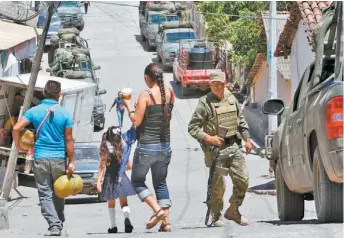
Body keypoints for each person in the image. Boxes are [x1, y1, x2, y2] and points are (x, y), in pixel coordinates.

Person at [188, 72, 252, 227]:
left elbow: (240, 120)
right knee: (218, 186)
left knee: (243, 180)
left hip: (233, 146)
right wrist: (209, 138)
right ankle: (216, 215)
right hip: (215, 151)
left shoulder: (231, 99)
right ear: (210, 85)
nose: (217, 86)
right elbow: (193, 128)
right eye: (213, 84)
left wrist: (247, 139)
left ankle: (233, 210)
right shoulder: (205, 103)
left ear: (225, 83)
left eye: (220, 83)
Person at [12, 80, 75, 236]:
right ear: (59, 95)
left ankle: (55, 224)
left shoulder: (35, 111)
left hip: (40, 158)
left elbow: (16, 128)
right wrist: (72, 161)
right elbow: (69, 139)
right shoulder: (65, 113)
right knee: (59, 190)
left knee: (45, 193)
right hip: (59, 158)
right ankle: (58, 220)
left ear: (44, 93)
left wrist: (18, 145)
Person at [122, 63, 174, 232]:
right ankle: (166, 223)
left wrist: (128, 106)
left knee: (137, 181)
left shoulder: (146, 95)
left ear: (147, 78)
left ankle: (157, 211)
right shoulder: (170, 94)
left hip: (146, 146)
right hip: (165, 146)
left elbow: (136, 121)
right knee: (161, 183)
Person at [96, 125, 137, 234]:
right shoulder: (123, 148)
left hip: (110, 178)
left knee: (111, 204)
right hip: (121, 177)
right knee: (124, 203)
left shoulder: (106, 148)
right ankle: (127, 219)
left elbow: (102, 166)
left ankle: (113, 226)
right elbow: (129, 166)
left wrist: (98, 182)